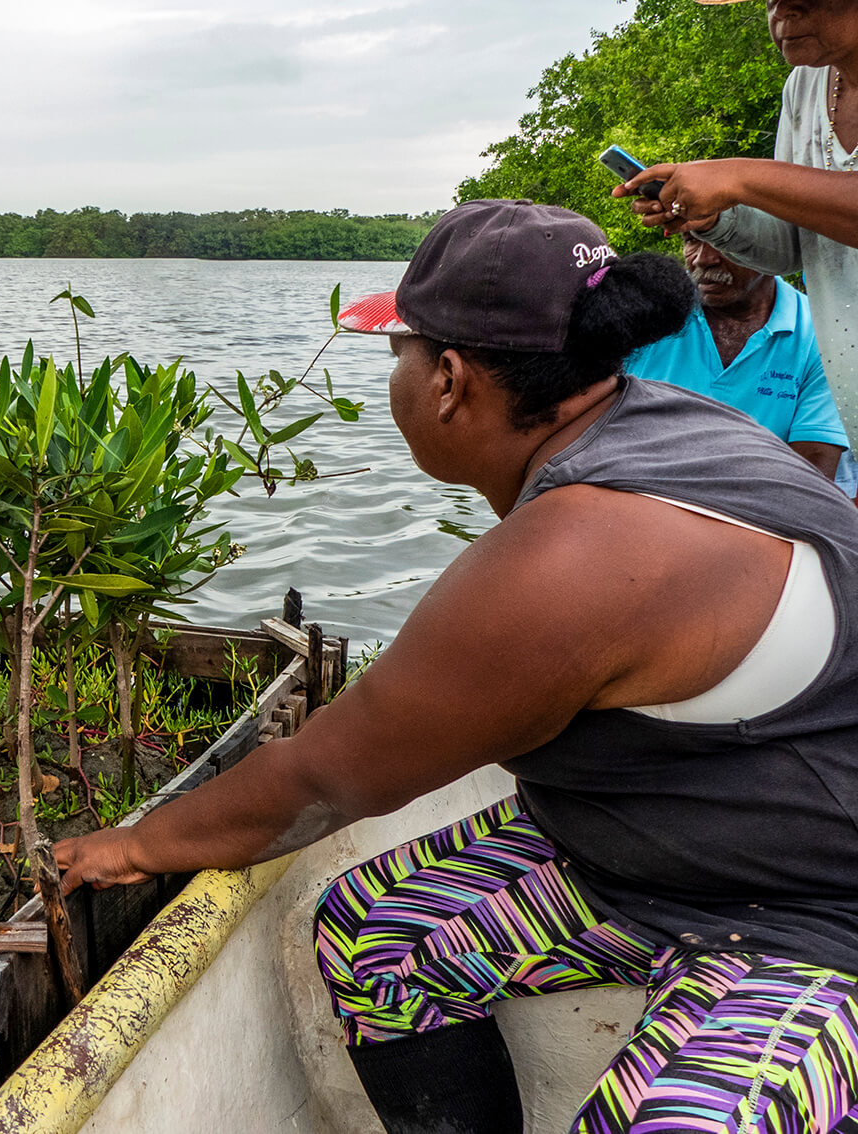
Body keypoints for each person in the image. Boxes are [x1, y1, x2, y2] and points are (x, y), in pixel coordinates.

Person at [55, 199, 858, 1134]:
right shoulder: (652, 423)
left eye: (397, 352)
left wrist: (129, 845)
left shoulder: (575, 556)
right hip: (656, 863)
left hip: (815, 923)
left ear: (447, 379)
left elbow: (320, 778)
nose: (393, 376)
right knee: (376, 934)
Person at [615, 0, 858, 451]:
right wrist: (715, 218)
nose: (781, 13)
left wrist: (739, 177)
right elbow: (792, 246)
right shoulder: (804, 87)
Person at [626, 232, 850, 480]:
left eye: (725, 241)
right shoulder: (649, 315)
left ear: (773, 251)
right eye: (691, 240)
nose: (703, 258)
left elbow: (811, 473)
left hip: (754, 515)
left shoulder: (822, 334)